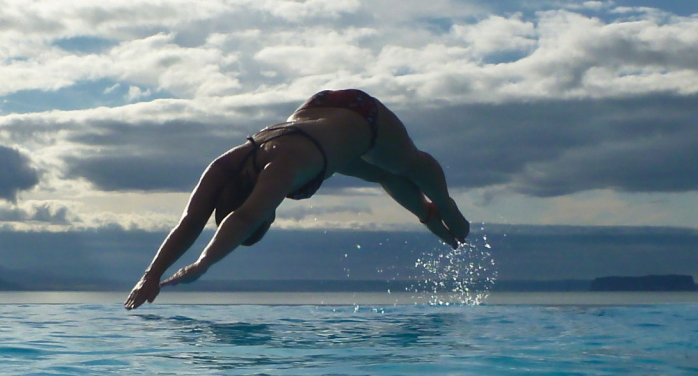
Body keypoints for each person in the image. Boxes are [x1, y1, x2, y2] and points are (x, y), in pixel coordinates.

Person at [124, 88, 471, 310]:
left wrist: (201, 265)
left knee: (405, 162)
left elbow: (242, 219)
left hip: (365, 117)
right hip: (318, 113)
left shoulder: (281, 169)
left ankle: (445, 204)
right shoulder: (230, 162)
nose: (271, 213)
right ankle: (428, 215)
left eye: (268, 216)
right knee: (380, 173)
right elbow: (191, 221)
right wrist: (151, 275)